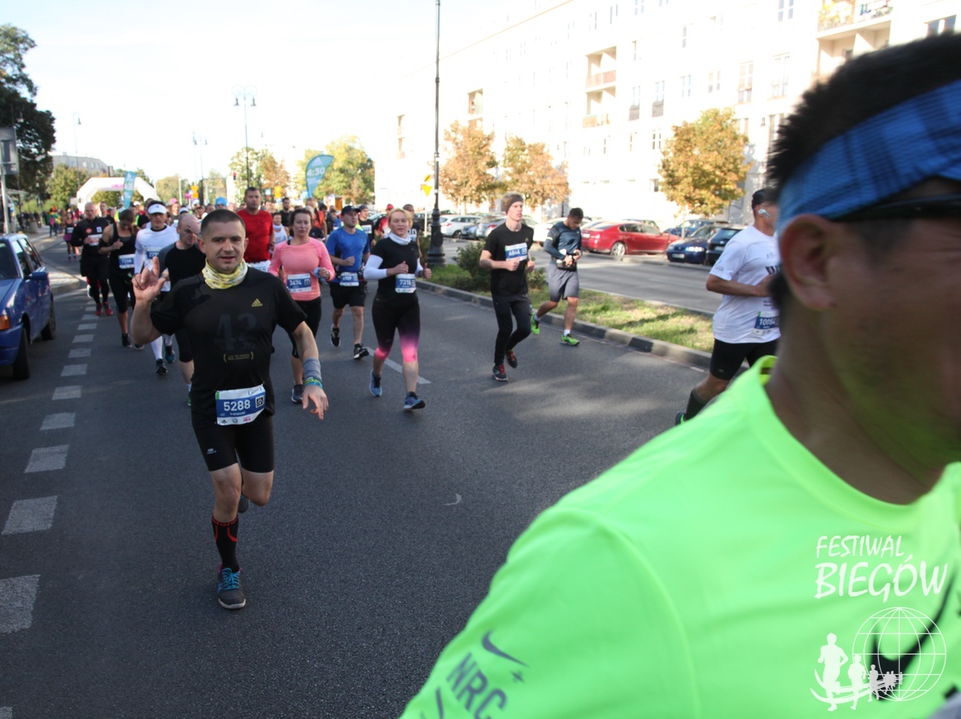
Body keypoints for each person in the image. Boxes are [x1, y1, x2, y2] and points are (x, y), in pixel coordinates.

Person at [401, 33, 961, 717]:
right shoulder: (616, 565)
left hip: (750, 339)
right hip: (708, 333)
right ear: (817, 261)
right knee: (555, 335)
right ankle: (522, 360)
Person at [131, 208, 328, 610]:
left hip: (256, 405)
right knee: (227, 487)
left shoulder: (266, 286)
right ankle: (229, 568)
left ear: (246, 243)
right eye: (218, 240)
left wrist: (313, 379)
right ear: (202, 244)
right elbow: (141, 336)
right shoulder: (186, 291)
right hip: (210, 407)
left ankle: (238, 494)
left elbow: (302, 332)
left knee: (259, 495)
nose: (228, 247)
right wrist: (143, 304)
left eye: (235, 239)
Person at [675, 188, 780, 424]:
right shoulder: (743, 243)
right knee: (717, 385)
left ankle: (752, 431)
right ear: (760, 210)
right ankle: (686, 421)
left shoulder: (781, 241)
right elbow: (713, 282)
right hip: (737, 330)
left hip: (769, 329)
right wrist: (757, 290)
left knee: (770, 385)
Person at [363, 207, 431, 410]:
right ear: (389, 224)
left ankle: (411, 396)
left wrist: (422, 272)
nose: (400, 224)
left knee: (410, 352)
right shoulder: (383, 246)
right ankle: (376, 375)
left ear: (409, 224)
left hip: (409, 305)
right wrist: (391, 271)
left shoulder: (412, 245)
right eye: (396, 221)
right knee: (383, 350)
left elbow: (414, 268)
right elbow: (368, 272)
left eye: (404, 221)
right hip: (385, 305)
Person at [268, 208, 335, 404]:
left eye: (306, 222)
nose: (303, 226)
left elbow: (330, 270)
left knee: (309, 341)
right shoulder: (281, 248)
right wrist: (276, 281)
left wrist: (327, 274)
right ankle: (299, 384)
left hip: (313, 301)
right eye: (299, 222)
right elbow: (272, 268)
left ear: (311, 224)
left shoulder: (318, 246)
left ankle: (308, 378)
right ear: (292, 225)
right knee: (297, 344)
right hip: (291, 302)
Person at [480, 192, 536, 382]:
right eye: (515, 206)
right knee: (505, 329)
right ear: (507, 211)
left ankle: (508, 348)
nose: (519, 210)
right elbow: (483, 261)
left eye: (521, 206)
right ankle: (498, 365)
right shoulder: (497, 234)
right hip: (501, 290)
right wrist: (504, 264)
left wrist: (529, 263)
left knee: (525, 328)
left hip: (520, 289)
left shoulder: (528, 232)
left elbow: (526, 251)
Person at [158, 212, 207, 399]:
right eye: (187, 230)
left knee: (205, 350)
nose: (191, 235)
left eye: (194, 231)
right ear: (177, 230)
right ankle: (191, 390)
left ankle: (206, 384)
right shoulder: (167, 253)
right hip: (181, 308)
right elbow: (157, 273)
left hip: (204, 306)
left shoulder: (202, 250)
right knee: (186, 352)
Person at [134, 201, 180, 375]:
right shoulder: (142, 235)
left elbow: (178, 255)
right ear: (149, 216)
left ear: (166, 216)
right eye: (154, 215)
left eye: (161, 215)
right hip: (151, 285)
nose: (158, 218)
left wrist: (170, 272)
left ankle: (168, 344)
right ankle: (159, 360)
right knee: (154, 320)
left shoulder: (173, 234)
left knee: (170, 322)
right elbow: (139, 253)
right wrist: (136, 273)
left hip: (170, 284)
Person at [531, 207, 584, 347]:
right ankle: (536, 317)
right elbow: (547, 246)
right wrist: (563, 257)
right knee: (554, 302)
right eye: (574, 222)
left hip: (572, 270)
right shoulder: (557, 228)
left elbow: (580, 246)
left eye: (578, 223)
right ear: (569, 217)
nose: (576, 225)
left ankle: (566, 334)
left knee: (573, 301)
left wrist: (579, 253)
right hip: (557, 269)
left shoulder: (577, 230)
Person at [325, 205, 370, 360]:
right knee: (339, 310)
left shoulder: (362, 235)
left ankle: (357, 346)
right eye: (350, 214)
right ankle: (335, 327)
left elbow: (366, 254)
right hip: (339, 279)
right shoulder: (335, 235)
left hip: (357, 279)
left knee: (358, 310)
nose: (354, 217)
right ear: (342, 217)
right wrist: (342, 262)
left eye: (356, 214)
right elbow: (327, 256)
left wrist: (371, 267)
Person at [101, 208, 139, 347]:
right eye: (124, 224)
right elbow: (100, 250)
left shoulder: (136, 231)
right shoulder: (109, 230)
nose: (126, 227)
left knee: (137, 306)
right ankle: (124, 334)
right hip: (116, 273)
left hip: (134, 273)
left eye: (129, 224)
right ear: (119, 219)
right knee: (122, 306)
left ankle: (137, 336)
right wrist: (112, 247)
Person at [72, 202, 113, 316]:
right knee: (93, 283)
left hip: (102, 257)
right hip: (89, 258)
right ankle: (98, 303)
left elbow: (111, 236)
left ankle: (105, 301)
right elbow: (73, 241)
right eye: (87, 211)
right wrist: (82, 241)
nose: (90, 213)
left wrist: (110, 246)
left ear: (95, 211)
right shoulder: (81, 225)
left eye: (92, 210)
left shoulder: (103, 223)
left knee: (104, 280)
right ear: (85, 212)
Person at [238, 186, 273, 272]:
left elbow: (271, 233)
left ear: (260, 199)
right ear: (245, 199)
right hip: (245, 262)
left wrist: (272, 243)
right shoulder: (238, 217)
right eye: (251, 197)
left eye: (257, 197)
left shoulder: (267, 216)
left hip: (265, 262)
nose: (254, 199)